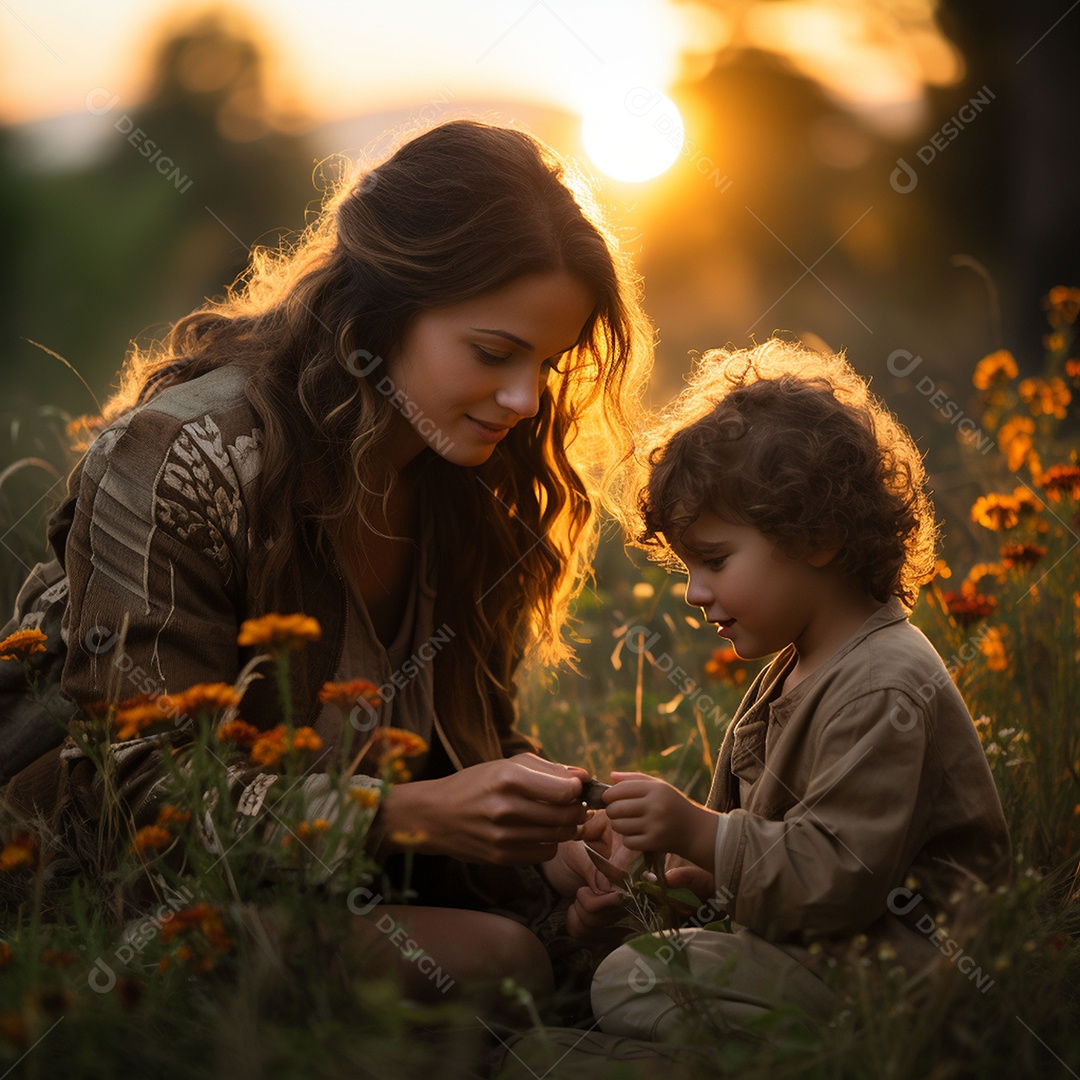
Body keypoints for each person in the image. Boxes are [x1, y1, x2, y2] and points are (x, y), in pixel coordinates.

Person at [0, 119, 654, 1002]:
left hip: (331, 893)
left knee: (610, 953)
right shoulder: (180, 457)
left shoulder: (469, 485)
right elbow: (140, 794)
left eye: (548, 361)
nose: (524, 398)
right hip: (123, 899)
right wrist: (404, 818)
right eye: (494, 353)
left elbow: (471, 744)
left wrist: (555, 848)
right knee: (504, 969)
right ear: (381, 313)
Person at [586, 339, 1010, 1041]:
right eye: (688, 566)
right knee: (628, 961)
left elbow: (839, 876)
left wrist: (700, 830)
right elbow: (780, 837)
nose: (694, 593)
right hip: (826, 956)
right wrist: (702, 871)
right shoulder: (806, 662)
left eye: (714, 561)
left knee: (634, 977)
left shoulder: (882, 685)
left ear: (818, 537)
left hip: (899, 985)